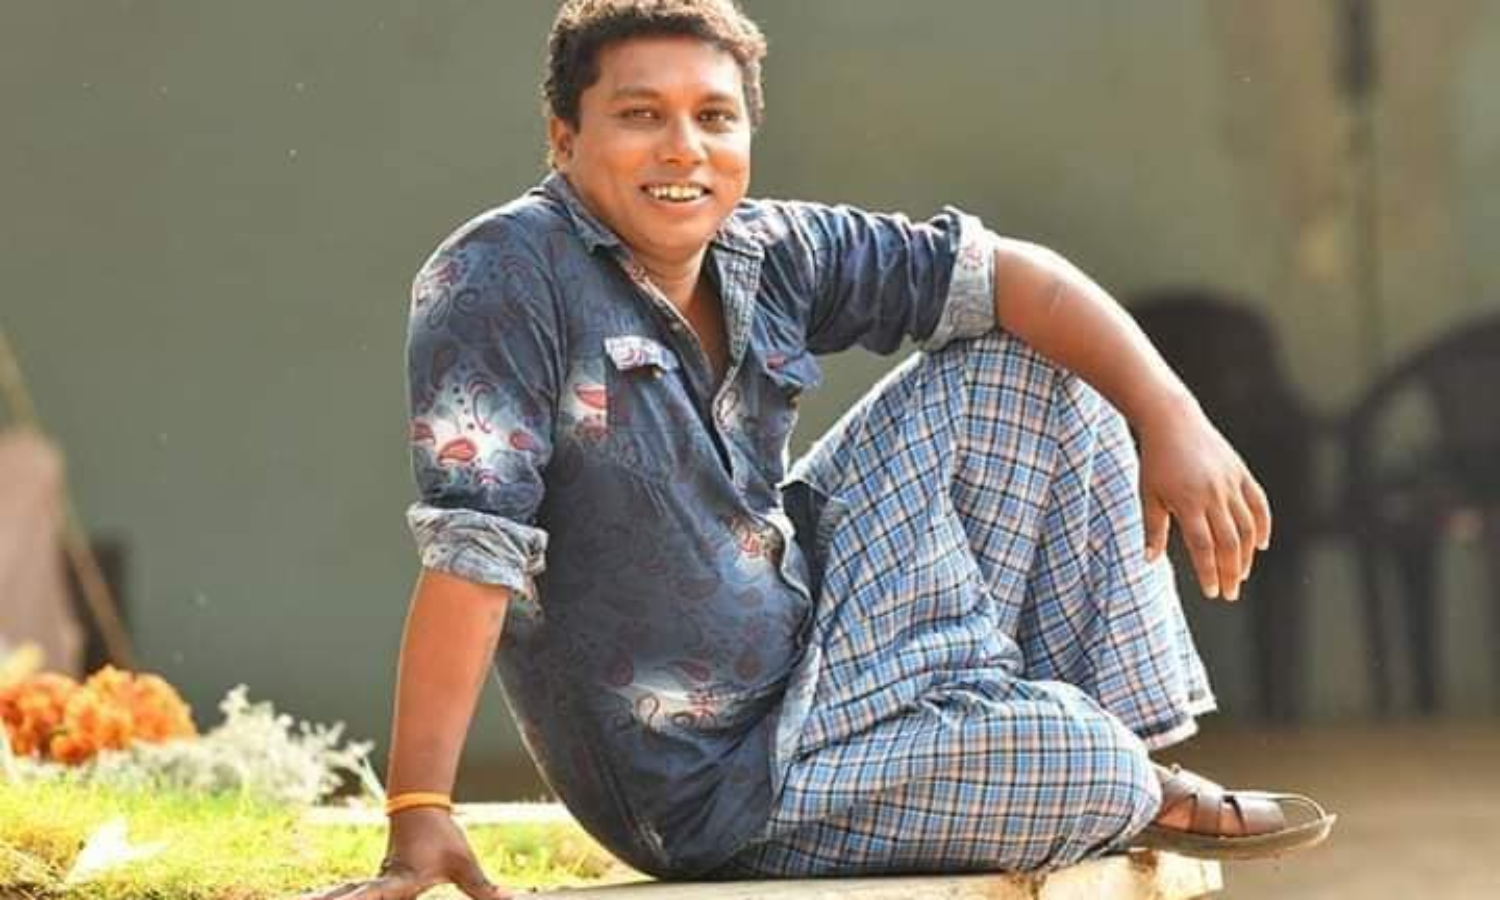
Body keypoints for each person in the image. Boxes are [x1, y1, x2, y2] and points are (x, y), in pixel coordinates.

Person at [306, 2, 1333, 897]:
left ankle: (1127, 756)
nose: (683, 149)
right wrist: (419, 806)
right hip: (718, 785)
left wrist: (1173, 417)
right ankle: (1108, 773)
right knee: (1082, 770)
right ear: (562, 137)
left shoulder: (767, 249)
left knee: (1036, 366)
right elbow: (473, 552)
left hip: (822, 634)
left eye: (714, 117)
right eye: (640, 115)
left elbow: (1005, 274)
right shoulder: (501, 278)